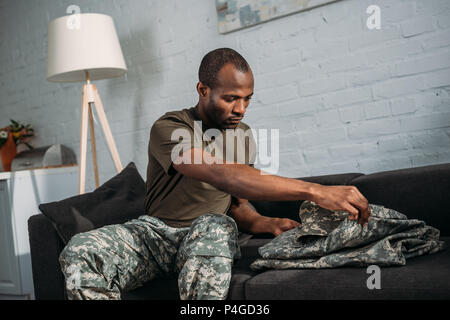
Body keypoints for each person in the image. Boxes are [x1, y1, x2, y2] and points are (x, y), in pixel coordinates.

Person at [59, 48, 371, 300]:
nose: (241, 108)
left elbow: (237, 204)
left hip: (207, 237)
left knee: (215, 223)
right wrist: (315, 190)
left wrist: (266, 222)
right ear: (203, 89)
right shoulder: (170, 128)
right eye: (231, 98)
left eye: (247, 98)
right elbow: (218, 173)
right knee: (81, 248)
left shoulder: (243, 136)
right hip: (156, 237)